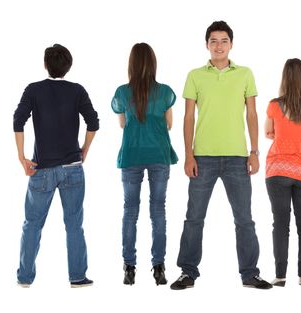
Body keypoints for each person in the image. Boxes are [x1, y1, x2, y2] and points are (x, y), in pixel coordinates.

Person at [170, 21, 272, 290]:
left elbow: (252, 113)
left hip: (238, 158)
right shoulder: (195, 75)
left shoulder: (245, 74)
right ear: (207, 44)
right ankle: (187, 272)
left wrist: (254, 151)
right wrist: (188, 154)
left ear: (231, 44)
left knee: (244, 218)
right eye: (213, 40)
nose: (218, 45)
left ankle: (250, 273)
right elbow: (188, 116)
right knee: (194, 217)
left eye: (223, 40)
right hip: (202, 157)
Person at [13, 44, 99, 288]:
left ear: (45, 64)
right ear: (68, 67)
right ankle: (78, 277)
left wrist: (22, 158)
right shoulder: (77, 90)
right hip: (73, 168)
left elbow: (18, 121)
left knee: (32, 224)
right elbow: (93, 122)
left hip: (41, 169)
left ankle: (25, 278)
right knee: (74, 224)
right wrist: (85, 150)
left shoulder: (33, 89)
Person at [111, 43, 178, 286]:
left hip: (132, 155)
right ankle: (158, 266)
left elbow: (122, 124)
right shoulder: (165, 92)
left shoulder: (121, 93)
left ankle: (129, 267)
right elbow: (169, 124)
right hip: (159, 155)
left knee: (130, 211)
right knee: (158, 211)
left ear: (131, 64)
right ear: (153, 64)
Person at [264, 59, 301, 287]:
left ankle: (280, 275)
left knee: (280, 223)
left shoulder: (274, 106)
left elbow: (269, 131)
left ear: (284, 79)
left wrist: (281, 135)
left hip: (278, 170)